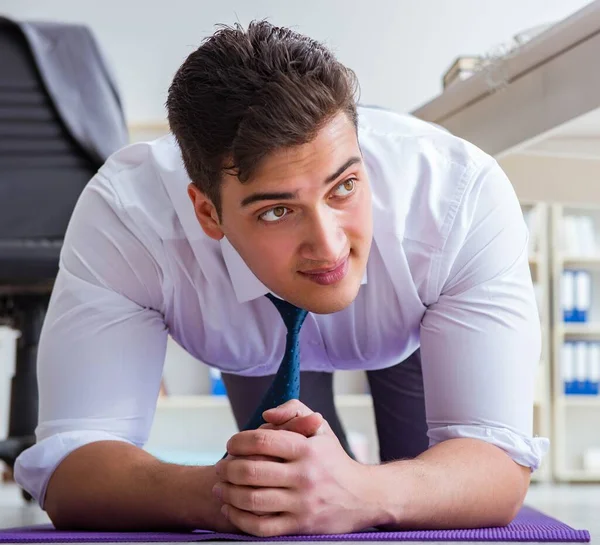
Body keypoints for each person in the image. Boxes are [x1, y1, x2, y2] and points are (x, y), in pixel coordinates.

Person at [14, 20, 548, 537]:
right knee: (279, 489)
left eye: (344, 187)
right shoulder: (129, 217)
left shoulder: (458, 200)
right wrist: (222, 493)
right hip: (256, 342)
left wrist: (363, 493)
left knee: (419, 505)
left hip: (412, 321)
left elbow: (495, 466)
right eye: (277, 211)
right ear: (208, 215)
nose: (330, 246)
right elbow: (69, 465)